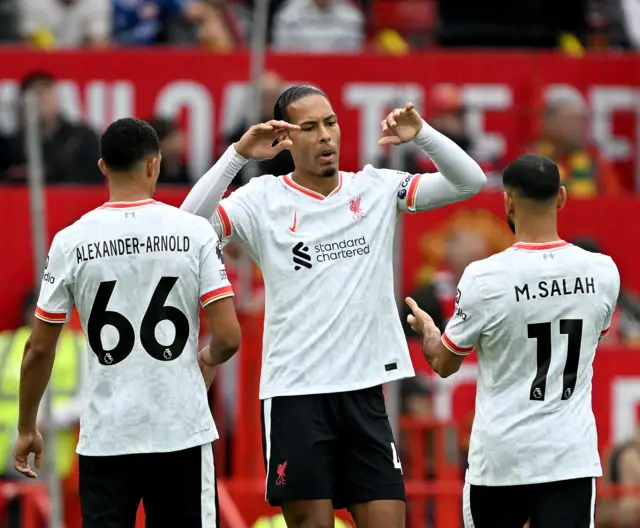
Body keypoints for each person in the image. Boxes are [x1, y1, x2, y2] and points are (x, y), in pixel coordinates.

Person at [181, 84, 486, 527]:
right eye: (309, 127)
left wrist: (421, 133)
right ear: (286, 138)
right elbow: (189, 227)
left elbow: (470, 181)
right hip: (295, 395)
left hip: (364, 393)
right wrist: (238, 157)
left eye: (331, 122)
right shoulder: (261, 200)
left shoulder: (377, 187)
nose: (325, 136)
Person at [12, 117, 241, 528]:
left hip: (108, 435)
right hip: (180, 430)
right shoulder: (192, 232)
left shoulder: (70, 240)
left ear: (103, 167)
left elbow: (39, 348)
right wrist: (204, 361)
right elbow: (228, 337)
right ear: (155, 164)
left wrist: (27, 426)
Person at [405, 153, 620, 528]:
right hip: (568, 458)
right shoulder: (602, 271)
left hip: (500, 460)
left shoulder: (484, 278)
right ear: (562, 198)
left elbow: (443, 363)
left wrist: (430, 334)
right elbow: (593, 340)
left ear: (507, 201)